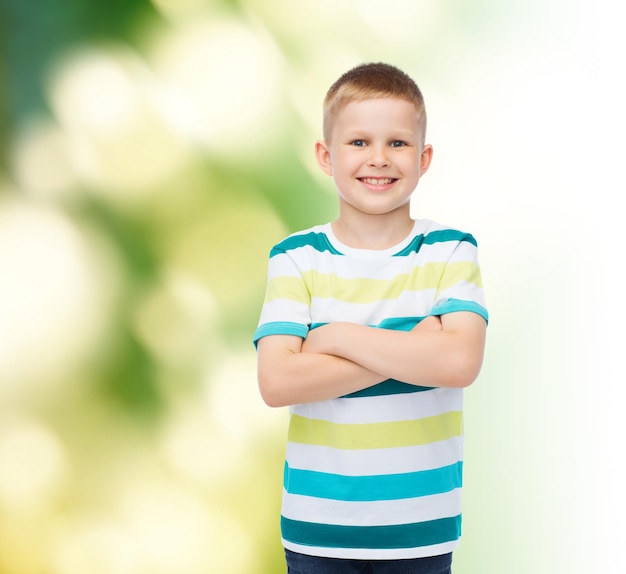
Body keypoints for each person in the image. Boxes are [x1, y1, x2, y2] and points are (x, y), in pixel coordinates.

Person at [253, 62, 488, 574]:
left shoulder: (450, 250)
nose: (378, 158)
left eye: (398, 143)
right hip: (318, 531)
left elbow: (459, 363)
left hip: (420, 532)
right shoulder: (296, 257)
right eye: (358, 142)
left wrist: (332, 338)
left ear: (424, 158)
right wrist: (414, 345)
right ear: (325, 155)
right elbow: (276, 381)